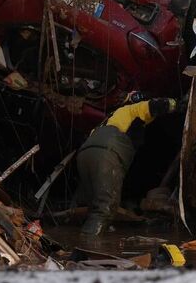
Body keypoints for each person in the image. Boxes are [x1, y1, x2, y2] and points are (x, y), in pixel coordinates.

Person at [76, 97, 180, 235]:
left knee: (91, 204)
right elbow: (156, 105)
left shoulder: (106, 122)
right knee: (104, 208)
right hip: (107, 153)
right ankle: (90, 245)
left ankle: (83, 237)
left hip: (84, 154)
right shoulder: (130, 110)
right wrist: (178, 104)